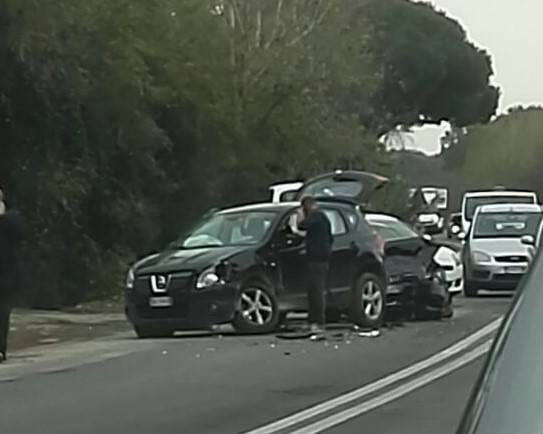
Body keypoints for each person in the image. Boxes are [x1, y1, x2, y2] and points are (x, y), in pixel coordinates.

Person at [297, 196, 333, 340]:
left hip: (317, 260)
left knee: (316, 292)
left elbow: (301, 225)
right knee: (313, 291)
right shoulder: (322, 219)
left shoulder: (317, 217)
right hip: (319, 259)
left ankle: (318, 322)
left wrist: (299, 216)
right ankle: (313, 321)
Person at [0, 189, 22, 363]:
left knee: (2, 312)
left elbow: (18, 235)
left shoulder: (10, 220)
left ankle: (1, 349)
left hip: (5, 277)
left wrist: (2, 216)